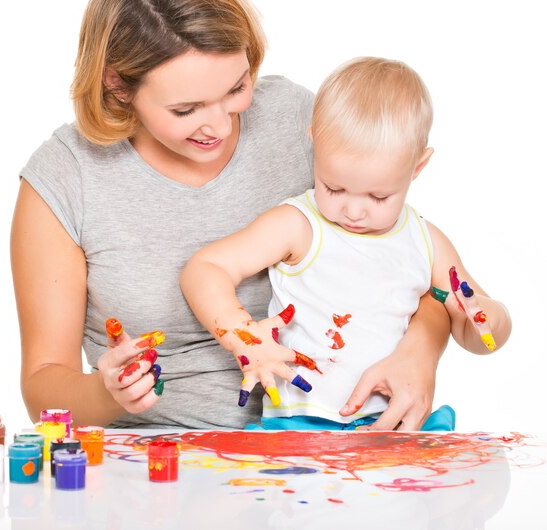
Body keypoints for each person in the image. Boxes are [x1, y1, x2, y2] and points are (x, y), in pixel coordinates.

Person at [11, 0, 451, 430]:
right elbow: (43, 390)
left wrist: (421, 352)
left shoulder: (299, 121)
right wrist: (109, 390)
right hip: (159, 461)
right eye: (186, 110)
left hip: (326, 445)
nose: (219, 125)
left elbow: (410, 261)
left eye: (237, 88)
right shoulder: (65, 176)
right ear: (117, 85)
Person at [181, 57, 512, 430]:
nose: (353, 211)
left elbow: (480, 339)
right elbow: (205, 269)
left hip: (393, 425)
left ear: (417, 168)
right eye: (333, 187)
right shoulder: (299, 224)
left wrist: (488, 319)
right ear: (315, 145)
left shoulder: (426, 241)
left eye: (378, 196)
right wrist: (242, 335)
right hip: (299, 426)